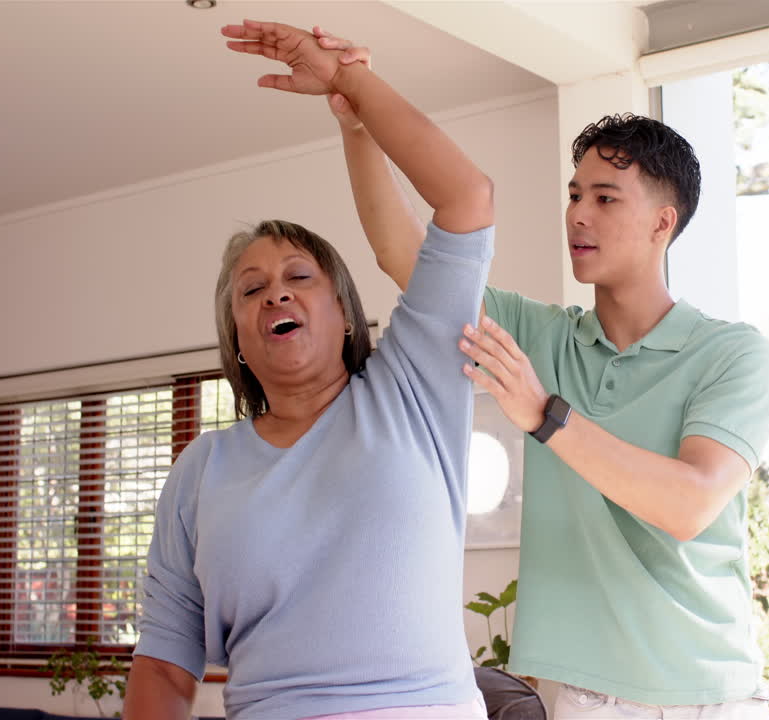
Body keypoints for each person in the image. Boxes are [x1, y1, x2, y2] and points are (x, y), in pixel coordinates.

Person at [315, 30, 769, 720]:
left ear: (662, 222)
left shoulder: (733, 354)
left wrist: (545, 415)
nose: (577, 215)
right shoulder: (539, 335)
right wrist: (357, 124)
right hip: (584, 697)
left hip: (707, 697)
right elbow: (401, 252)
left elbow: (687, 504)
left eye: (605, 198)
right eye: (573, 194)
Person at [123, 20, 495, 720]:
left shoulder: (413, 389)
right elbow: (167, 665)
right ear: (236, 336)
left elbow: (467, 198)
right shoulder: (201, 471)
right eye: (251, 289)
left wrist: (349, 85)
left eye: (299, 276)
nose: (277, 294)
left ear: (347, 313)